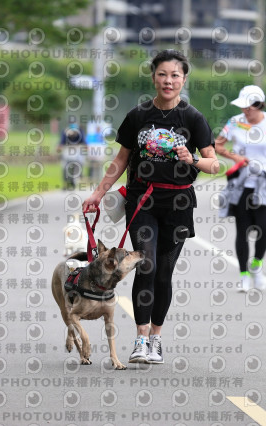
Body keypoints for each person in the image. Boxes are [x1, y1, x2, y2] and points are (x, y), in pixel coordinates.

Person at [82, 49, 218, 364]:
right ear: (153, 77)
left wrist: (193, 159)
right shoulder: (138, 116)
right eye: (162, 74)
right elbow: (121, 160)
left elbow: (215, 164)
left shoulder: (193, 118)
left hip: (179, 203)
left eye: (175, 75)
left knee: (164, 273)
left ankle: (156, 338)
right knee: (146, 263)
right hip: (142, 199)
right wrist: (98, 194)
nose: (168, 81)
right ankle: (141, 339)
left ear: (184, 79)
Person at [215, 85, 266, 292]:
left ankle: (256, 265)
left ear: (259, 105)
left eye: (249, 107)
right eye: (243, 107)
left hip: (265, 182)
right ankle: (244, 275)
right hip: (241, 183)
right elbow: (217, 146)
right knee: (243, 230)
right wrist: (235, 157)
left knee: (265, 230)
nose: (245, 111)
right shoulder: (234, 122)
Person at [58, 123, 86, 190]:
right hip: (67, 151)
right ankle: (66, 183)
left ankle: (74, 181)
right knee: (65, 168)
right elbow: (61, 143)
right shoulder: (65, 132)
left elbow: (84, 142)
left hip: (77, 151)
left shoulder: (80, 132)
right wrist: (59, 148)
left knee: (77, 166)